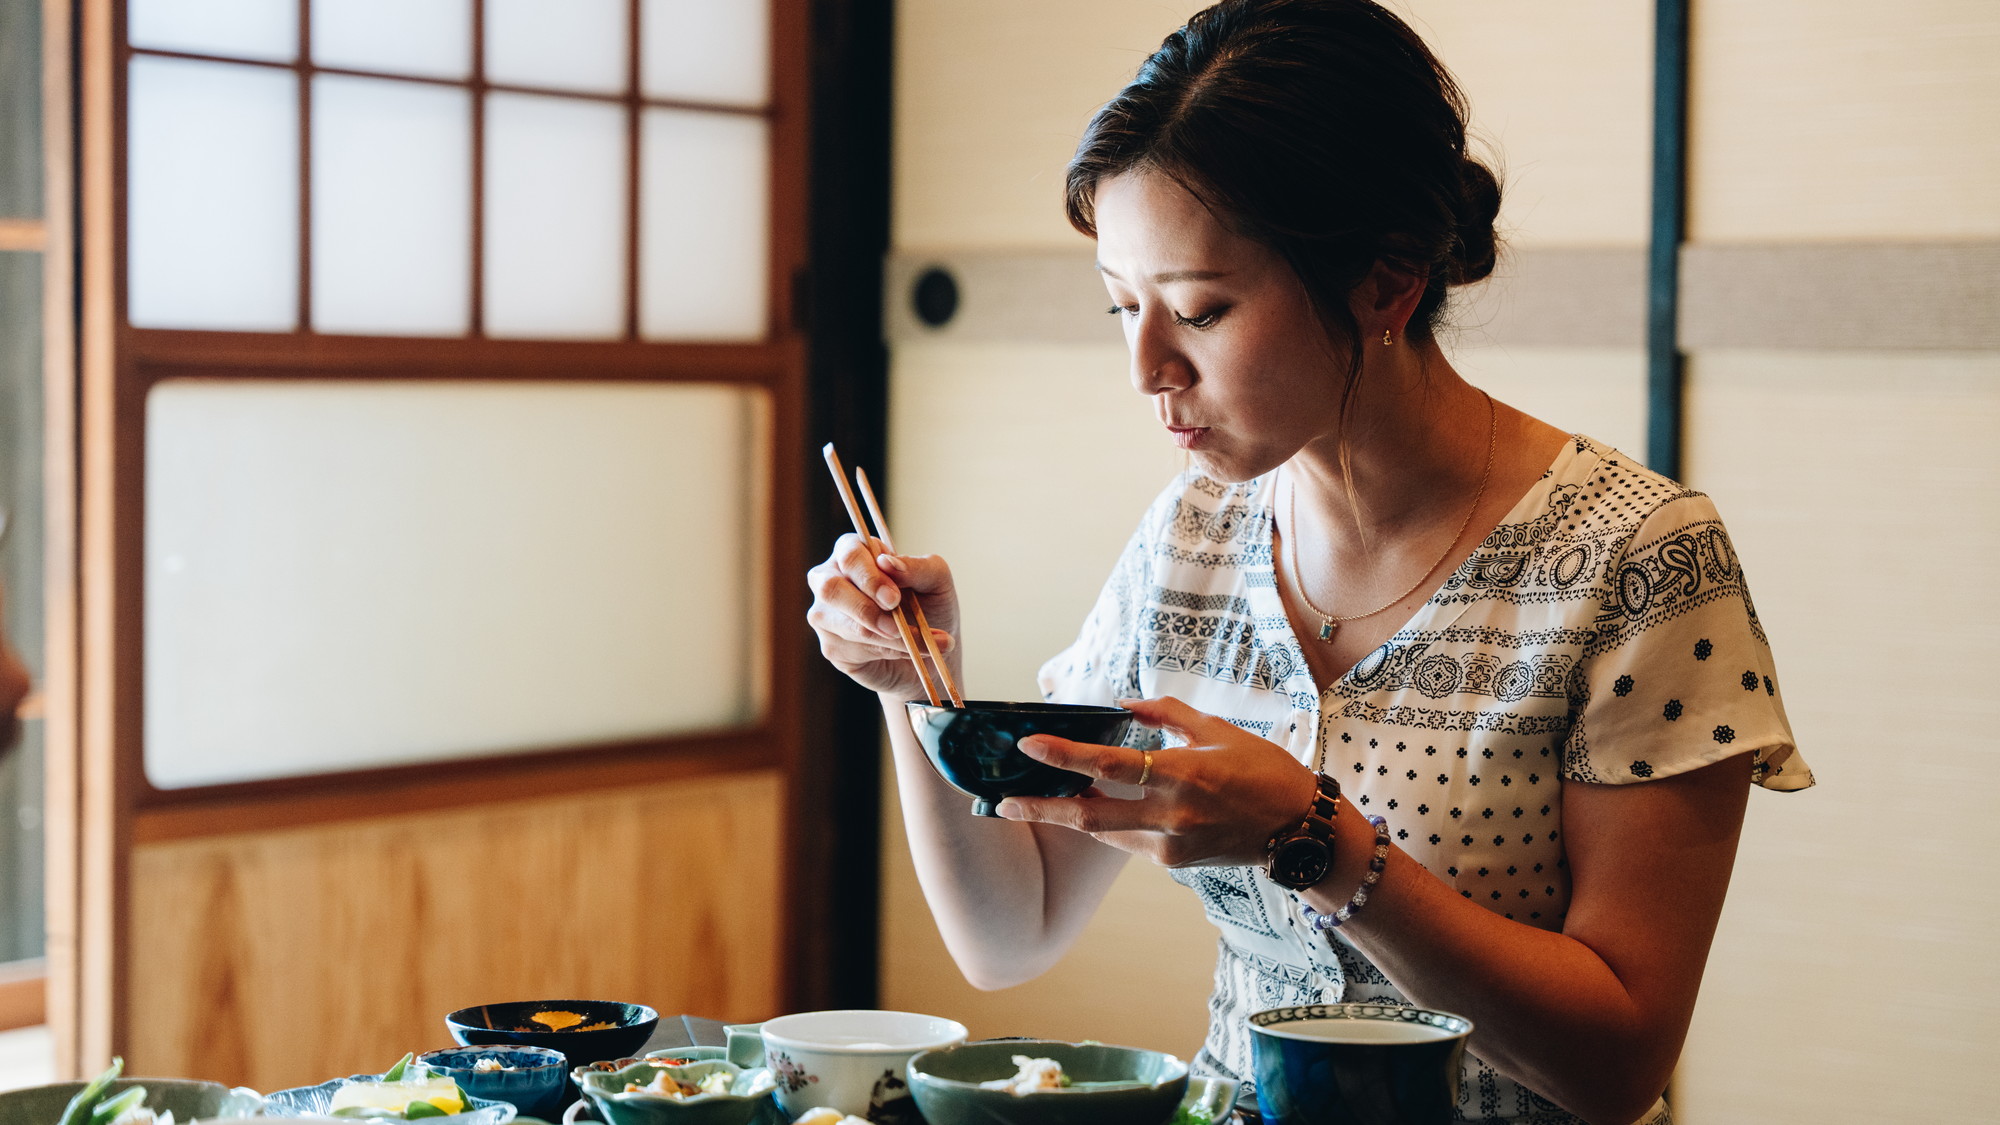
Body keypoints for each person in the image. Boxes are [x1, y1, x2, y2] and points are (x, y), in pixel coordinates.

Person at [807, 2, 1811, 1121]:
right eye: (1120, 306)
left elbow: (1614, 1064)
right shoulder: (1191, 539)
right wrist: (915, 688)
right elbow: (1010, 930)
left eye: (1198, 309)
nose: (1146, 367)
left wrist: (1313, 840)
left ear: (1385, 281)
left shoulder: (1634, 559)